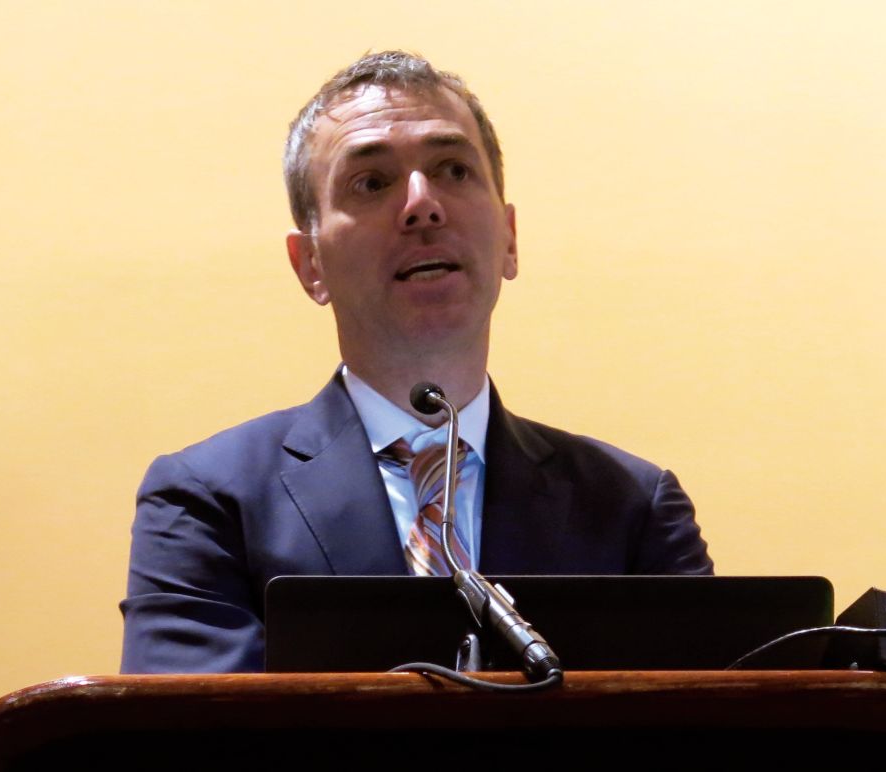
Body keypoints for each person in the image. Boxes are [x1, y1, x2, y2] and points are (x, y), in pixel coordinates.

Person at [120, 51, 712, 673]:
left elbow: (709, 717)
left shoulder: (633, 507)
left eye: (454, 170)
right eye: (372, 183)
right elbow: (190, 725)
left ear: (510, 239)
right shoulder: (206, 502)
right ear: (310, 264)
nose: (423, 205)